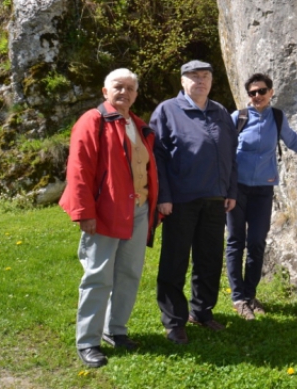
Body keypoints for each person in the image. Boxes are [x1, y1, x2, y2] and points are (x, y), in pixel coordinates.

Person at [60, 69, 159, 368]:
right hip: (104, 213)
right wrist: (84, 213)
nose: (124, 92)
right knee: (98, 277)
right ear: (105, 91)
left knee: (129, 273)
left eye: (130, 88)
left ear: (136, 95)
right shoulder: (93, 120)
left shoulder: (138, 125)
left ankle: (115, 330)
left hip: (138, 211)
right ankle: (88, 342)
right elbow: (79, 170)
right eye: (118, 87)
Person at [226, 73, 297, 319]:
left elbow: (292, 141)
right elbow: (222, 147)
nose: (257, 96)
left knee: (256, 242)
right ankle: (238, 298)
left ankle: (250, 294)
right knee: (235, 241)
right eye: (252, 92)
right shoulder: (238, 117)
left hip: (263, 189)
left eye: (262, 91)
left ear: (271, 92)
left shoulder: (277, 117)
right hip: (237, 189)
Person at [149, 60, 238, 344]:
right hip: (181, 200)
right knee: (175, 261)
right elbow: (157, 158)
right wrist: (163, 196)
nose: (201, 81)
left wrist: (231, 190)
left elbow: (231, 155)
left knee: (210, 259)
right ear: (182, 81)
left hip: (215, 199)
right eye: (194, 76)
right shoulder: (167, 111)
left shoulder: (220, 111)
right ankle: (174, 321)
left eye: (206, 76)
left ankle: (202, 312)